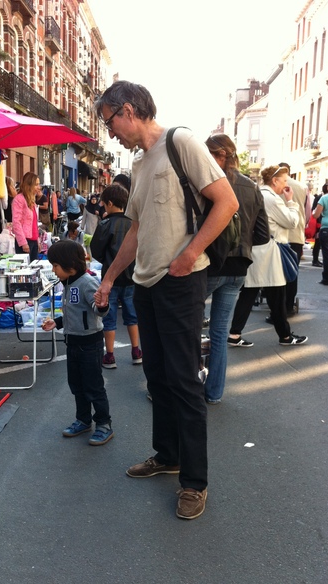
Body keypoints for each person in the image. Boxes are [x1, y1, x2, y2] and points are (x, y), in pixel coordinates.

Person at [93, 80, 239, 520]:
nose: (110, 132)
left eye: (109, 121)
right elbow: (136, 231)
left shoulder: (182, 141)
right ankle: (168, 455)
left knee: (184, 381)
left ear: (129, 109)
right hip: (146, 284)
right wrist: (110, 278)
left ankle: (194, 482)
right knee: (157, 377)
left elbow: (226, 201)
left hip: (180, 281)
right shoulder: (138, 166)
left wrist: (190, 254)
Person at [203, 134, 270, 404]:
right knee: (220, 332)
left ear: (218, 155)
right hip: (239, 267)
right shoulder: (252, 187)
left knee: (188, 327)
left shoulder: (209, 183)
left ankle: (184, 388)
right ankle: (214, 392)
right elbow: (264, 234)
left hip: (210, 264)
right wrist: (242, 241)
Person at [41, 240, 113, 446]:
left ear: (70, 265)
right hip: (72, 343)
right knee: (77, 386)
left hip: (90, 345)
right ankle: (83, 420)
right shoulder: (68, 283)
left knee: (94, 386)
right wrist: (56, 322)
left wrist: (102, 304)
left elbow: (98, 309)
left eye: (55, 265)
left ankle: (104, 424)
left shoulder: (87, 283)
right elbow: (74, 313)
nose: (53, 270)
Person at [228, 165, 309, 346]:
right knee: (276, 295)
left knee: (250, 293)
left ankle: (235, 334)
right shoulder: (273, 198)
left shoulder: (257, 192)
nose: (285, 184)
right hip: (269, 252)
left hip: (256, 250)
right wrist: (291, 202)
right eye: (284, 180)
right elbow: (291, 222)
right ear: (275, 181)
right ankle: (285, 337)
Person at [90, 183, 143, 369]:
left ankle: (110, 355)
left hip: (110, 278)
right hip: (133, 276)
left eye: (104, 204)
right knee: (132, 316)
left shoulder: (105, 224)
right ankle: (136, 350)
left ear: (110, 203)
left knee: (109, 316)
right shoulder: (133, 222)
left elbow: (96, 250)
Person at [278, 162, 308, 315]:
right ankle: (289, 305)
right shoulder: (302, 187)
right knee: (292, 271)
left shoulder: (275, 185)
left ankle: (277, 305)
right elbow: (307, 211)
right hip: (296, 234)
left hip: (279, 234)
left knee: (277, 272)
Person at [12, 172, 40, 261]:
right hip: (25, 240)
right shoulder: (19, 199)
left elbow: (34, 223)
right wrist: (23, 242)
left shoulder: (32, 201)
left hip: (33, 240)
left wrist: (37, 240)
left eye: (38, 184)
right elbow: (16, 222)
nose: (38, 188)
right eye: (36, 185)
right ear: (29, 185)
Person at [311, 184, 328, 267]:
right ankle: (315, 259)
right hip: (319, 222)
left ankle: (316, 259)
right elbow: (314, 209)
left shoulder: (320, 197)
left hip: (321, 221)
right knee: (318, 242)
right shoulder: (320, 198)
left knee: (320, 242)